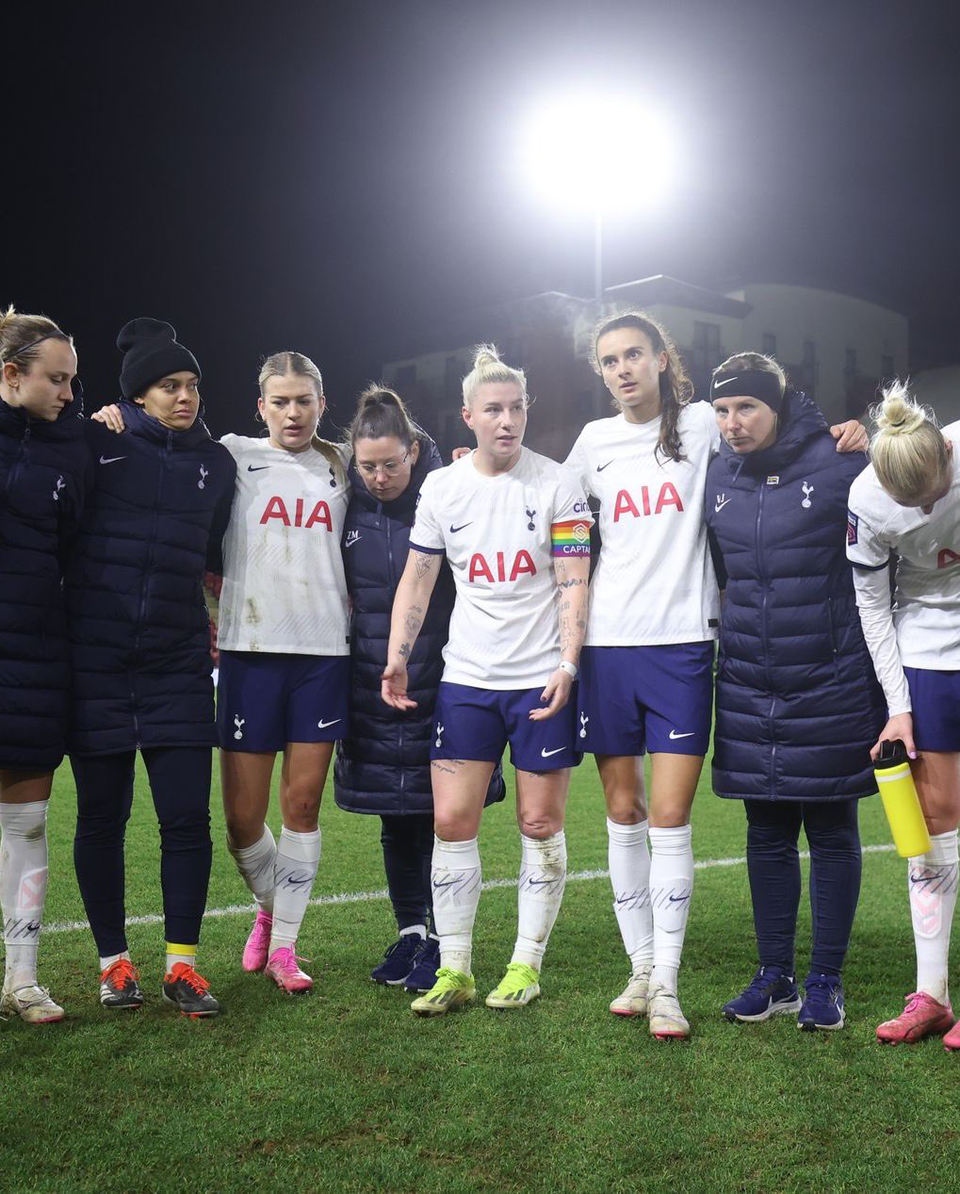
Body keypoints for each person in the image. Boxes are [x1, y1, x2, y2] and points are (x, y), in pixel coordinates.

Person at [564, 310, 866, 1039]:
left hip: (689, 648)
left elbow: (787, 429)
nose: (624, 368)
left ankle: (672, 980)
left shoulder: (704, 425)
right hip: (615, 648)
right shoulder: (592, 444)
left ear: (663, 358)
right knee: (628, 814)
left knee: (674, 817)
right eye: (609, 360)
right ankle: (646, 968)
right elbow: (555, 517)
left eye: (636, 353)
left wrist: (852, 433)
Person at [383, 345, 592, 1016]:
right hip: (466, 679)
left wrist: (567, 664)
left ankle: (525, 965)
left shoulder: (557, 483)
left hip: (539, 681)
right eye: (494, 410)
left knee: (538, 820)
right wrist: (398, 653)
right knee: (451, 819)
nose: (507, 421)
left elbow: (573, 580)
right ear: (468, 415)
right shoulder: (443, 488)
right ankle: (455, 970)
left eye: (517, 408)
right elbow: (419, 576)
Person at [704, 352, 884, 1031]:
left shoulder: (842, 461)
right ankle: (774, 975)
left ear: (779, 404)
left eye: (746, 408)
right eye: (722, 412)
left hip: (831, 678)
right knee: (766, 828)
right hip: (751, 679)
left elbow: (908, 501)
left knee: (833, 828)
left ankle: (825, 982)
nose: (732, 424)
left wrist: (880, 438)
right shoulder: (718, 472)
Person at [68, 318, 236, 1017]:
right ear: (138, 395)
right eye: (169, 386)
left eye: (192, 385)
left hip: (176, 662)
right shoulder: (95, 445)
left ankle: (182, 967)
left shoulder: (216, 465)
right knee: (102, 818)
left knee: (185, 820)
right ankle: (114, 965)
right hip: (98, 663)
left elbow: (224, 556)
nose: (185, 397)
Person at [334, 385, 504, 993]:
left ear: (413, 450)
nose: (379, 477)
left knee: (442, 818)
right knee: (396, 817)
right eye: (367, 466)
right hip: (370, 685)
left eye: (391, 463)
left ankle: (442, 937)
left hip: (447, 678)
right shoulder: (345, 504)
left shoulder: (453, 492)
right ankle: (411, 934)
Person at [215, 352, 351, 993]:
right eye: (280, 401)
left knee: (301, 805)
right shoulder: (232, 456)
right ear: (260, 406)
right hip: (248, 652)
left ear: (321, 403)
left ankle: (286, 949)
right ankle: (271, 908)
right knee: (242, 818)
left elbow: (407, 469)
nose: (293, 413)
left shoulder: (342, 467)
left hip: (323, 656)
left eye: (304, 400)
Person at [847, 381, 960, 1048]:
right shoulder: (865, 500)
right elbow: (871, 606)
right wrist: (899, 708)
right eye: (907, 503)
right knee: (934, 823)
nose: (921, 509)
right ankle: (932, 994)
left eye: (932, 496)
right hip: (926, 650)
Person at [0, 307, 92, 1024]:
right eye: (56, 380)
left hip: (35, 656)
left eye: (72, 381)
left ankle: (22, 978)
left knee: (27, 822)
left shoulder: (73, 448)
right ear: (11, 375)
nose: (66, 393)